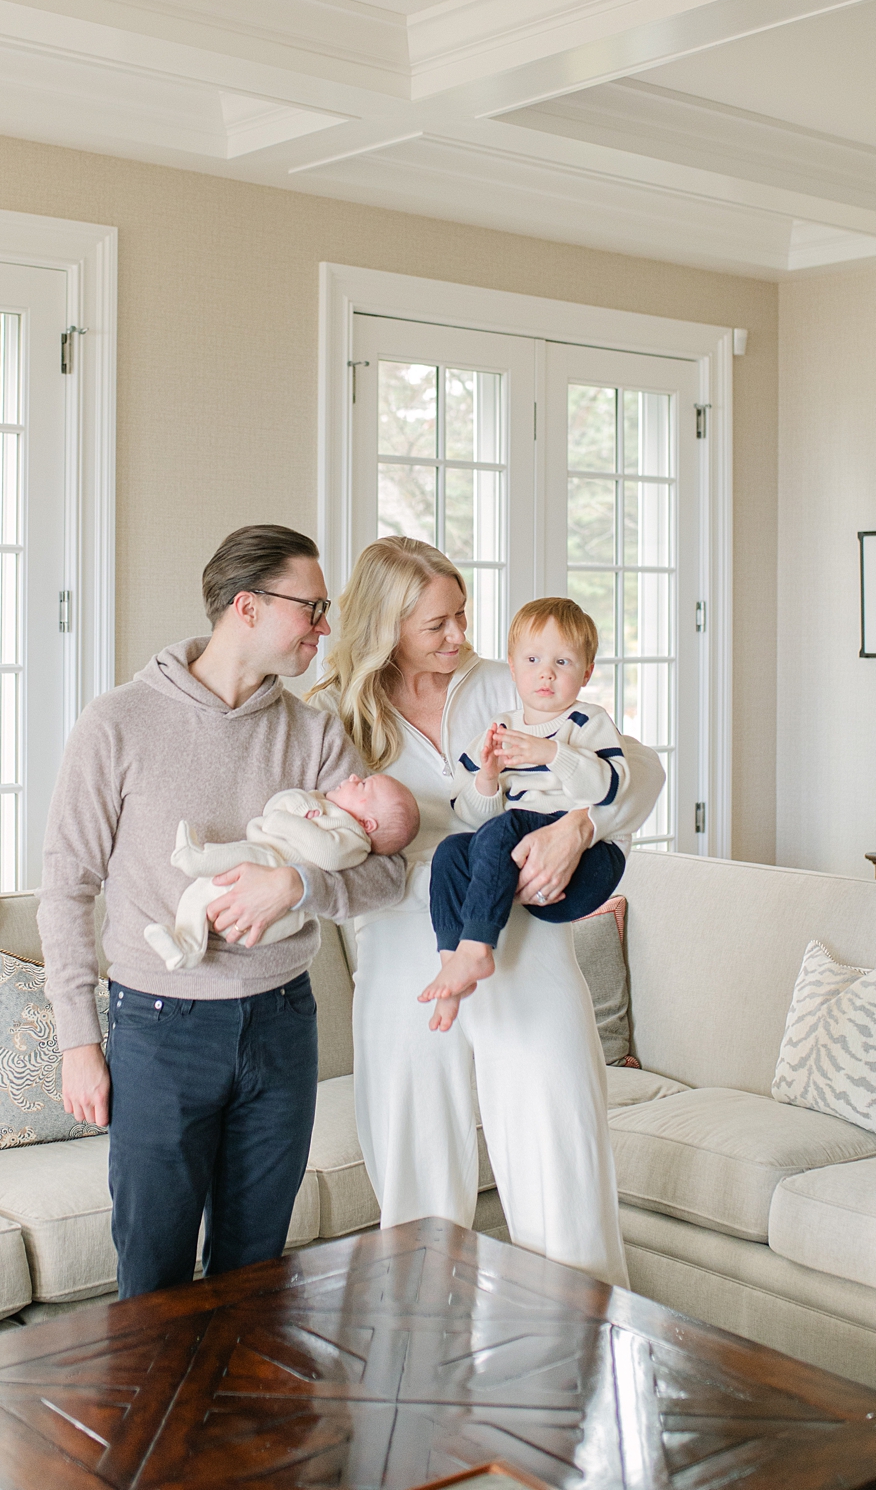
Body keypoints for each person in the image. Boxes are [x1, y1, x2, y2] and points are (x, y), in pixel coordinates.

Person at [43, 524, 410, 1299]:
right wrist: (78, 1038)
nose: (324, 627)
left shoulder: (314, 733)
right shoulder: (117, 724)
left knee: (257, 1279)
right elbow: (66, 885)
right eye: (311, 608)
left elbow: (390, 876)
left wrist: (300, 888)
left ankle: (240, 1425)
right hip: (158, 1029)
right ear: (246, 605)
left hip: (282, 1024)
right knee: (154, 1279)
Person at [307, 537, 662, 1288]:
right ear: (387, 626)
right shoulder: (332, 717)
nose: (459, 636)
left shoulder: (509, 683)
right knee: (418, 1194)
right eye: (438, 624)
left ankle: (582, 1371)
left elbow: (643, 770)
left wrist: (579, 827)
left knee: (561, 1166)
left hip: (527, 945)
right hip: (408, 955)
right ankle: (426, 1384)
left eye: (461, 616)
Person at [421, 597, 629, 1029]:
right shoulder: (500, 727)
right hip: (524, 864)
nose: (546, 672)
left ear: (587, 672)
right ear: (513, 668)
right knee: (452, 850)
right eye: (532, 659)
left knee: (508, 826)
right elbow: (472, 816)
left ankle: (479, 946)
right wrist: (488, 778)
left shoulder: (588, 721)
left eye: (563, 661)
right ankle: (453, 962)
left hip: (588, 866)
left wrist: (552, 752)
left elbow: (610, 786)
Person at [143, 774, 418, 971]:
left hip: (272, 904)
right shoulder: (325, 805)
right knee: (198, 893)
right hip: (248, 892)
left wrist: (286, 825)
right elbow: (280, 802)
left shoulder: (353, 838)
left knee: (248, 857)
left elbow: (326, 852)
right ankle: (186, 948)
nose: (355, 776)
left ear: (367, 822)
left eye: (364, 785)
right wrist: (300, 806)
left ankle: (196, 859)